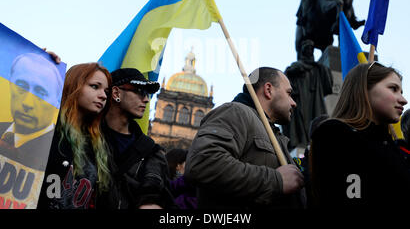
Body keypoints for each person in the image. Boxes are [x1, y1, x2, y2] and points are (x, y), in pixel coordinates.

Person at [185, 67, 306, 209]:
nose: (293, 103)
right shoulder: (236, 111)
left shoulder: (276, 136)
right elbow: (203, 163)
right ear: (268, 90)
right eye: (289, 93)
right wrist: (276, 181)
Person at [310, 62, 410, 207]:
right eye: (393, 89)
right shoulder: (335, 134)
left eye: (401, 92)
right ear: (364, 89)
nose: (403, 100)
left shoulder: (399, 149)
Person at [37, 62, 113, 209]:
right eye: (95, 86)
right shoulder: (44, 126)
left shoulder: (98, 144)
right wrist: (40, 67)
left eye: (106, 91)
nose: (103, 96)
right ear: (74, 85)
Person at [101, 68, 176, 209]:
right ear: (116, 93)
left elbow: (155, 194)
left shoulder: (152, 152)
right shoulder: (84, 136)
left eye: (147, 93)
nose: (146, 99)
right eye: (139, 91)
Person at [0, 53, 63, 171]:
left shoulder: (60, 149)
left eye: (41, 93)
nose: (27, 103)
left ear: (57, 101)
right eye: (21, 86)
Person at [283, 39, 333, 149]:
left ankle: (317, 141)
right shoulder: (296, 65)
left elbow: (328, 85)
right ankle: (303, 141)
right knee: (302, 119)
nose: (310, 51)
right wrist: (293, 71)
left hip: (315, 98)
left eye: (311, 49)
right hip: (301, 98)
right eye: (307, 49)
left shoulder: (318, 68)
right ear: (303, 51)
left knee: (317, 117)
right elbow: (286, 78)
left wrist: (322, 69)